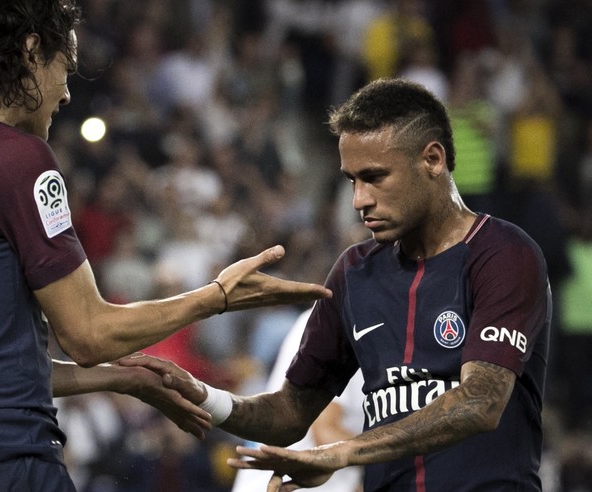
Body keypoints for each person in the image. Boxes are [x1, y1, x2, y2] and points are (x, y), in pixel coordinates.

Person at [0, 1, 330, 491]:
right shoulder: (11, 156)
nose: (65, 94)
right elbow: (88, 334)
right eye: (65, 69)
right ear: (30, 50)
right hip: (7, 465)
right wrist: (218, 296)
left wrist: (125, 379)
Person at [123, 78, 552, 491]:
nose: (359, 200)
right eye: (352, 180)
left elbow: (480, 401)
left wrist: (344, 452)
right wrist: (203, 396)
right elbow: (291, 412)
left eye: (375, 177)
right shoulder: (354, 272)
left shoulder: (503, 254)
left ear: (433, 160)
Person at [230, 307, 365, 492]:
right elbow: (325, 433)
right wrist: (399, 453)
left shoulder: (390, 331)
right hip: (279, 485)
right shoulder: (333, 321)